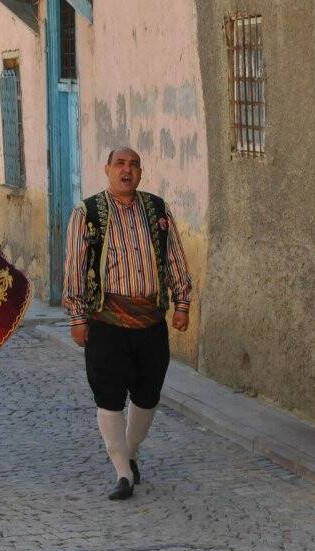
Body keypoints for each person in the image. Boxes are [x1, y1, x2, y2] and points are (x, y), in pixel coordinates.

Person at [63, 147, 193, 500]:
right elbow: (75, 266)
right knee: (109, 396)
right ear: (106, 169)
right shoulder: (87, 213)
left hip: (151, 321)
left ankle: (129, 450)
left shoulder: (157, 209)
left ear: (141, 171)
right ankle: (122, 471)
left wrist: (181, 304)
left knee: (148, 395)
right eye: (120, 163)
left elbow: (175, 257)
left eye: (134, 164)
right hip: (106, 322)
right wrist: (77, 318)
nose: (127, 170)